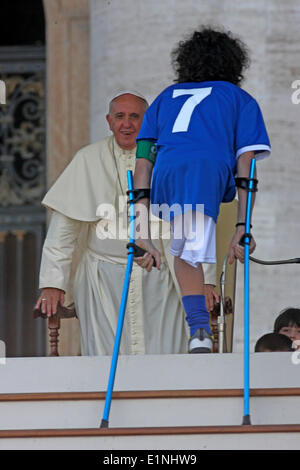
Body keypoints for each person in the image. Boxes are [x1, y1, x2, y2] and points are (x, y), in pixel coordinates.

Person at [35, 90, 218, 356]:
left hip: (161, 278)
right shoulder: (87, 159)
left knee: (166, 355)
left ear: (148, 121)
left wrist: (207, 280)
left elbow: (193, 222)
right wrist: (53, 283)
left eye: (135, 116)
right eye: (120, 116)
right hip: (102, 282)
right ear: (109, 121)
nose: (127, 123)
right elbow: (63, 231)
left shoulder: (169, 158)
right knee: (105, 358)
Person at [133, 26, 271, 354]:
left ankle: (197, 328)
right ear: (233, 63)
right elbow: (246, 164)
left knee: (185, 249)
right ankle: (199, 330)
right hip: (205, 170)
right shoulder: (240, 99)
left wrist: (140, 229)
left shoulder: (165, 97)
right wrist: (243, 225)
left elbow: (142, 164)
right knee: (189, 249)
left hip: (166, 173)